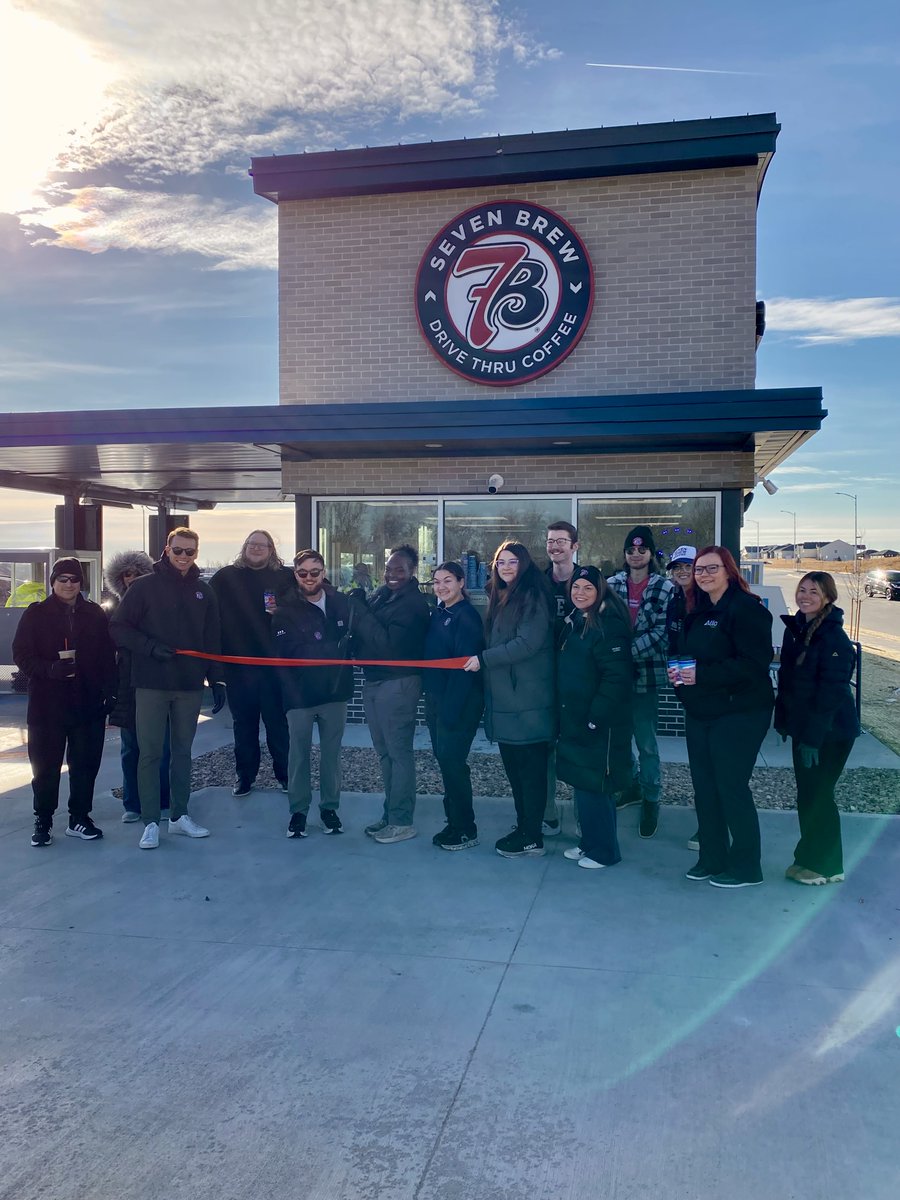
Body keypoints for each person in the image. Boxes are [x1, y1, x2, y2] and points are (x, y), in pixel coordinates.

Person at [111, 528, 226, 850]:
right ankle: (150, 821)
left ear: (196, 553)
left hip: (189, 685)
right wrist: (149, 647)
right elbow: (118, 627)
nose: (183, 557)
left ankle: (179, 815)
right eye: (178, 550)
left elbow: (212, 639)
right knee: (149, 753)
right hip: (151, 683)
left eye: (190, 551)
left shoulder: (203, 591)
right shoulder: (143, 587)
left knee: (182, 752)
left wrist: (217, 679)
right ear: (167, 550)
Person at [670, 545, 774, 889]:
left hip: (740, 712)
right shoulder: (697, 609)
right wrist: (681, 680)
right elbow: (685, 654)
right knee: (705, 789)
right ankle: (712, 857)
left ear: (729, 571)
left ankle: (746, 867)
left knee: (730, 787)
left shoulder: (747, 609)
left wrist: (700, 675)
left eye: (712, 568)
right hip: (701, 712)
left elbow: (753, 665)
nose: (704, 575)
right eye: (699, 569)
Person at [12, 557, 116, 847]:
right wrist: (49, 669)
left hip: (87, 702)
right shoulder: (36, 614)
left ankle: (79, 818)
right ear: (53, 582)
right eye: (63, 579)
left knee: (85, 764)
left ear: (82, 582)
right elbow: (21, 654)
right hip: (47, 705)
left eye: (74, 579)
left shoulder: (94, 613)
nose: (69, 584)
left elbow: (108, 656)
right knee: (45, 766)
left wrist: (111, 692)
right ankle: (43, 820)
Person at [464, 541, 556, 858]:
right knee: (515, 773)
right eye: (500, 562)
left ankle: (532, 835)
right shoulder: (500, 596)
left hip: (528, 703)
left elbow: (527, 644)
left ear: (524, 565)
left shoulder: (533, 597)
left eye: (512, 561)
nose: (505, 567)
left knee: (530, 774)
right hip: (506, 702)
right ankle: (525, 827)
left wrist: (483, 660)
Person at [774, 572, 859, 885]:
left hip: (830, 733)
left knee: (818, 797)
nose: (805, 596)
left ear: (827, 597)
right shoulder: (797, 630)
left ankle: (824, 865)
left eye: (814, 591)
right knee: (809, 796)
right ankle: (812, 859)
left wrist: (811, 739)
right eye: (802, 589)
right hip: (806, 730)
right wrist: (785, 722)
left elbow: (831, 694)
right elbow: (790, 682)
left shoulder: (834, 638)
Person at [347, 544, 430, 844]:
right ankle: (391, 813)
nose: (392, 574)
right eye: (388, 568)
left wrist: (361, 612)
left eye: (399, 569)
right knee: (384, 753)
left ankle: (402, 821)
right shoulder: (383, 595)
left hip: (398, 683)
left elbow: (388, 645)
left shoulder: (413, 604)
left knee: (398, 753)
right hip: (374, 680)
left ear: (412, 572)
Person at [271, 550, 353, 839]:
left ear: (324, 572)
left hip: (335, 692)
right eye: (303, 572)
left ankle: (330, 809)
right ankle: (299, 812)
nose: (309, 577)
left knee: (331, 755)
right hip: (299, 696)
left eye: (314, 572)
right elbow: (288, 653)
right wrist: (333, 649)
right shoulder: (284, 610)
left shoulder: (342, 603)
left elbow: (353, 642)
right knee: (298, 755)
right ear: (296, 574)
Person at [556, 566, 633, 870]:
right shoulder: (577, 620)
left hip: (599, 723)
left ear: (600, 591)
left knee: (597, 786)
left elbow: (616, 678)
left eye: (588, 588)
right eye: (576, 587)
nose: (580, 593)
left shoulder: (608, 626)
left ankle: (605, 851)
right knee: (582, 783)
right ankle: (589, 842)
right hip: (575, 716)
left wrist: (595, 718)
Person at [210, 531, 293, 796]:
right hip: (238, 667)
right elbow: (207, 614)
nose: (256, 549)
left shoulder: (285, 577)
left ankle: (285, 775)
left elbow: (303, 606)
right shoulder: (225, 577)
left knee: (277, 725)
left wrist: (283, 612)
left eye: (262, 545)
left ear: (271, 549)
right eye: (252, 544)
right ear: (244, 547)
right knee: (244, 725)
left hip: (274, 668)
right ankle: (245, 776)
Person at [607, 526, 674, 839]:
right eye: (631, 550)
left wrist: (623, 652)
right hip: (615, 679)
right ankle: (631, 786)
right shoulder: (611, 585)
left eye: (642, 549)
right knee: (619, 740)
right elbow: (604, 625)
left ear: (650, 553)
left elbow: (662, 633)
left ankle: (651, 798)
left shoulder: (665, 588)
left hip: (646, 677)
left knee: (646, 743)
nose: (636, 554)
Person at [104, 550, 172, 823]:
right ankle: (132, 803)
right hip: (127, 686)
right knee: (131, 747)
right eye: (127, 574)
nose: (132, 579)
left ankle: (162, 801)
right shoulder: (111, 610)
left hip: (157, 682)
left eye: (138, 574)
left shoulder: (160, 607)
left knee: (161, 748)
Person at [425, 562, 485, 851]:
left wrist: (450, 712)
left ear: (461, 582)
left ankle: (465, 829)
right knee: (445, 763)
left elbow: (464, 670)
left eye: (447, 580)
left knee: (453, 763)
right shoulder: (439, 614)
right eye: (437, 582)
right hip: (437, 701)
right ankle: (453, 822)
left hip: (459, 705)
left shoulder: (466, 616)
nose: (441, 587)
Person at [541, 520, 582, 837]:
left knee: (580, 750)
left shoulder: (588, 581)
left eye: (561, 541)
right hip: (544, 678)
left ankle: (584, 819)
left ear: (574, 546)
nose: (555, 546)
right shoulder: (538, 583)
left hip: (579, 679)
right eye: (550, 541)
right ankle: (548, 814)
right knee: (545, 750)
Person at [665, 545, 699, 849]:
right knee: (699, 760)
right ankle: (706, 817)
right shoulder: (675, 598)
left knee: (714, 763)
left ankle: (711, 824)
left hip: (711, 689)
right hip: (686, 687)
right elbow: (673, 640)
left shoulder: (707, 599)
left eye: (688, 566)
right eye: (678, 567)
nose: (683, 572)